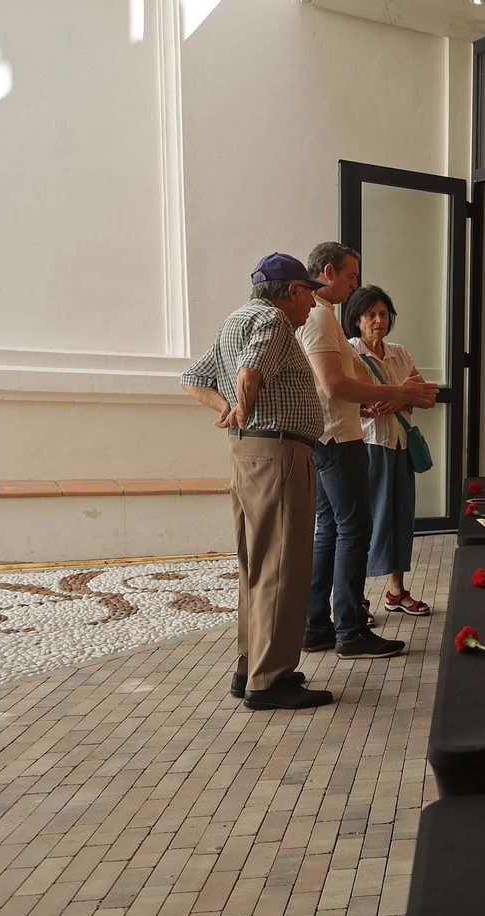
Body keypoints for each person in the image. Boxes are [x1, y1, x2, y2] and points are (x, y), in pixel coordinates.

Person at [180, 252, 334, 711]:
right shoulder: (273, 322)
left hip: (248, 451)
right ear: (290, 292)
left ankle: (251, 665)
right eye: (308, 292)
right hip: (279, 453)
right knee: (283, 565)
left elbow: (193, 378)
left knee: (256, 563)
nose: (311, 304)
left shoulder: (236, 319)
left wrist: (228, 412)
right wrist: (241, 406)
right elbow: (251, 370)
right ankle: (270, 680)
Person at [296, 243, 438, 659]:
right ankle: (351, 629)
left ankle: (316, 625)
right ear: (328, 273)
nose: (354, 284)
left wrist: (387, 396)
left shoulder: (318, 317)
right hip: (340, 437)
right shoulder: (320, 316)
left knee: (332, 530)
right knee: (354, 530)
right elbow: (334, 385)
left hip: (329, 435)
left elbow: (361, 381)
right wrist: (394, 393)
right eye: (351, 277)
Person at [345, 285, 431, 617]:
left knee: (400, 517)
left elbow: (426, 394)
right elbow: (355, 399)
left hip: (400, 445)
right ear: (357, 320)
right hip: (368, 446)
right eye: (371, 315)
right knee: (369, 521)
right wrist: (404, 394)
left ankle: (396, 591)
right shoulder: (349, 354)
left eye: (383, 314)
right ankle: (359, 595)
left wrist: (400, 398)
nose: (378, 321)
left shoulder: (399, 352)